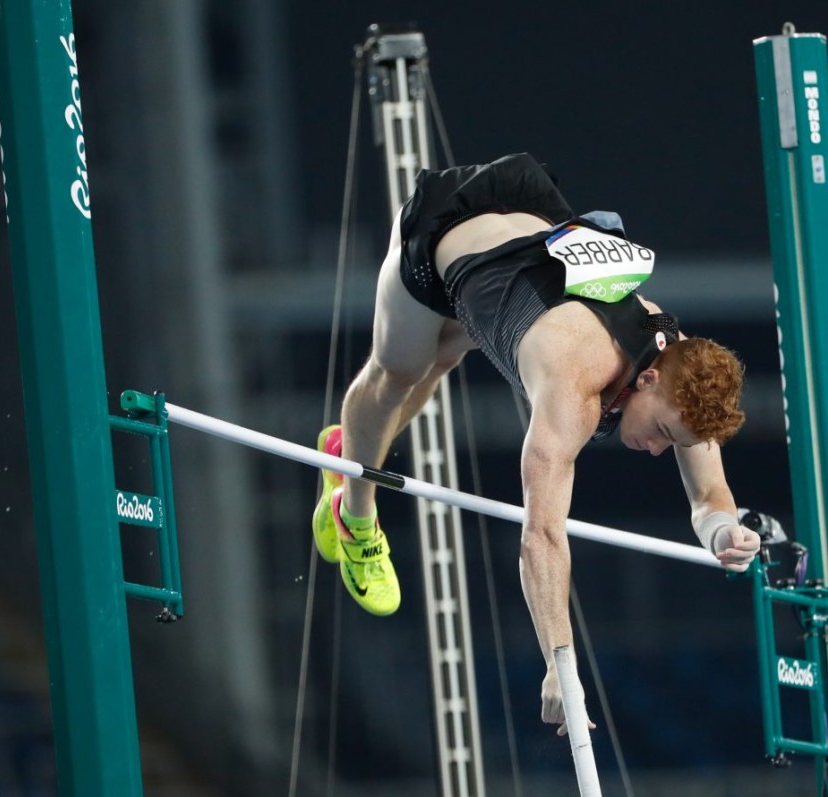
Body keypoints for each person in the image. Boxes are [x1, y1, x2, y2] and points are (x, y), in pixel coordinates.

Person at [311, 152, 761, 732]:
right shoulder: (575, 384)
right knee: (399, 369)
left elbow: (709, 497)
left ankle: (355, 452)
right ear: (647, 377)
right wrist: (559, 663)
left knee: (445, 352)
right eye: (661, 435)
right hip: (442, 234)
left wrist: (723, 531)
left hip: (527, 222)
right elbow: (542, 536)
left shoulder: (685, 374)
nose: (655, 449)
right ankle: (355, 510)